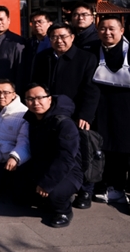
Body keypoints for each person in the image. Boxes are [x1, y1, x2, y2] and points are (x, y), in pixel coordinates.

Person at [31, 22, 99, 210]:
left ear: (72, 37)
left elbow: (91, 89)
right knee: (55, 151)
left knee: (83, 152)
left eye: (63, 36)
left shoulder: (86, 58)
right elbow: (36, 84)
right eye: (54, 37)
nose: (59, 40)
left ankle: (86, 189)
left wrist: (85, 114)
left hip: (76, 114)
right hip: (48, 114)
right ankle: (57, 185)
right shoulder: (44, 57)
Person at [23, 84, 82, 228]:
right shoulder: (32, 119)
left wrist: (47, 183)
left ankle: (63, 211)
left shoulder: (64, 123)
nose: (35, 103)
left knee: (54, 193)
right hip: (43, 165)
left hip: (69, 170)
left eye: (40, 98)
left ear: (49, 99)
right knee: (19, 193)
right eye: (30, 99)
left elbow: (66, 158)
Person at [90, 16, 130, 208]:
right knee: (103, 146)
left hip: (126, 108)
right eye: (103, 29)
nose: (107, 32)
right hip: (101, 107)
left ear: (122, 30)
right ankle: (105, 185)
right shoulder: (92, 50)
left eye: (112, 28)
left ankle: (119, 187)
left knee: (123, 148)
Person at [0, 79, 30, 197]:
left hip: (9, 159)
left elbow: (24, 141)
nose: (1, 96)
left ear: (14, 94)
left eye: (6, 92)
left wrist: (15, 157)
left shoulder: (24, 113)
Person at [0, 6, 26, 92]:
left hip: (9, 90)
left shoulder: (17, 42)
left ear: (8, 20)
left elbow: (21, 71)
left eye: (1, 19)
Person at [23, 11, 53, 88]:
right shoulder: (28, 43)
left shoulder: (54, 43)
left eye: (40, 22)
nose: (36, 25)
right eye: (34, 22)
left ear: (50, 23)